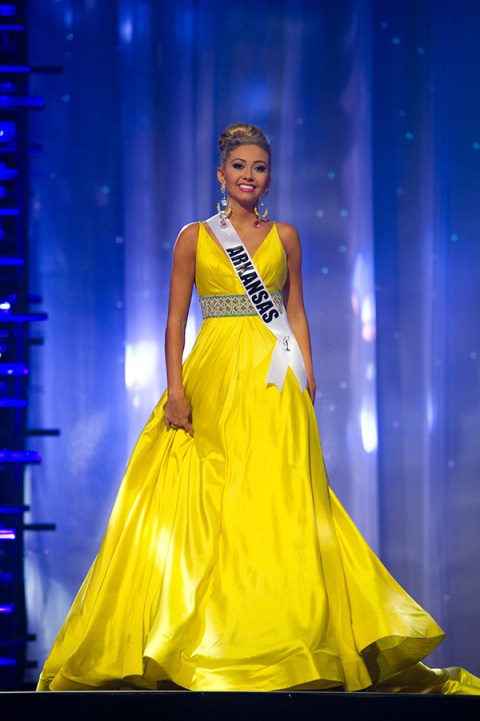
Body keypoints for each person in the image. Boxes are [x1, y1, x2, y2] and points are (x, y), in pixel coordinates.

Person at [37, 122, 480, 694]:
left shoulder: (287, 236)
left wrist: (308, 371)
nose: (250, 175)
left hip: (274, 382)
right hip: (214, 377)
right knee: (201, 505)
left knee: (280, 501)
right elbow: (174, 322)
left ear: (269, 177)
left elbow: (296, 312)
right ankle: (198, 639)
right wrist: (175, 389)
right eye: (240, 166)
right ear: (221, 175)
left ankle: (289, 638)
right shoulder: (195, 237)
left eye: (260, 167)